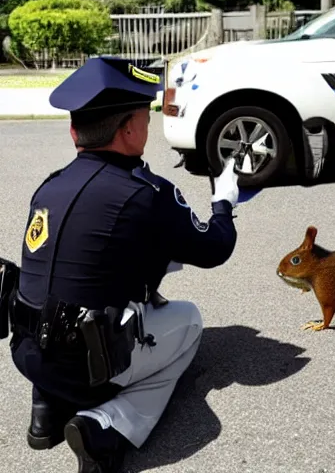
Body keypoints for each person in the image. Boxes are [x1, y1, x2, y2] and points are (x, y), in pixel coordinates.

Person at [7, 56, 239, 472]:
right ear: (129, 128)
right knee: (190, 322)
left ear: (75, 130)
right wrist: (225, 201)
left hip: (26, 353)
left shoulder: (50, 186)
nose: (149, 126)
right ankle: (104, 428)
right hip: (91, 364)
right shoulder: (146, 193)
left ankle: (46, 410)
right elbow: (215, 249)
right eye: (145, 117)